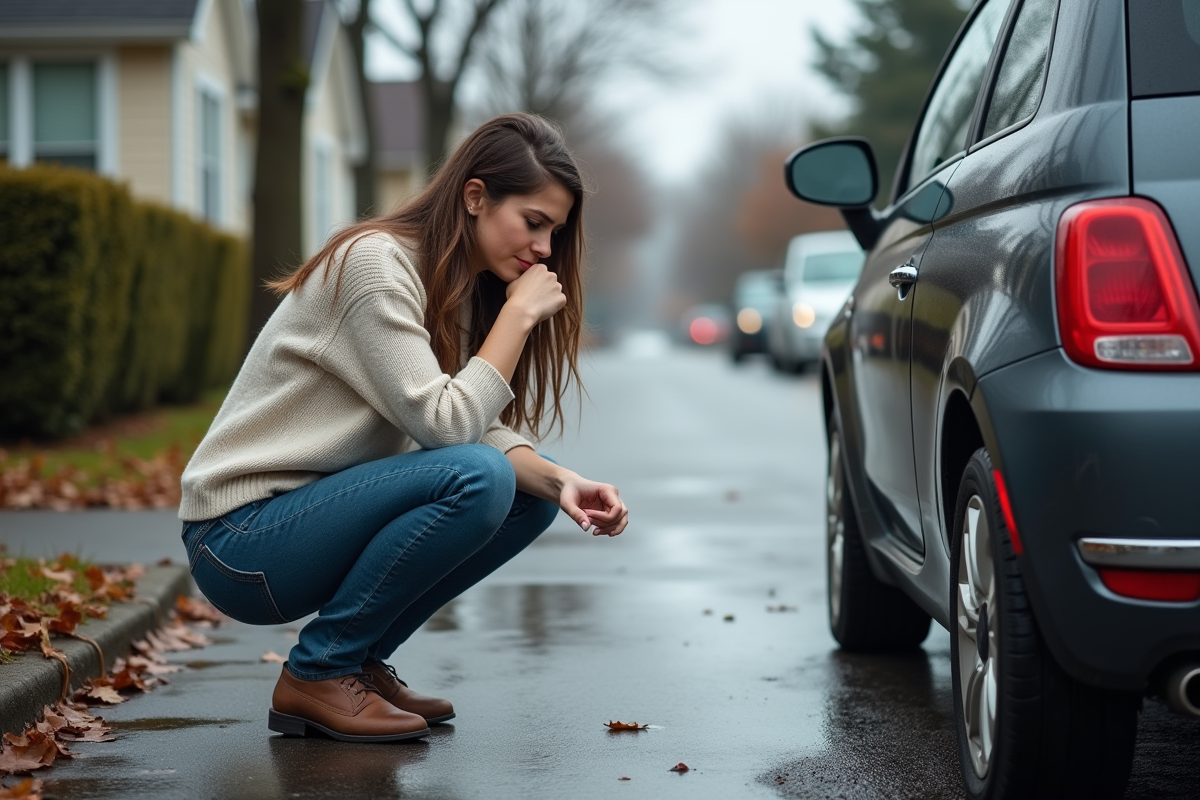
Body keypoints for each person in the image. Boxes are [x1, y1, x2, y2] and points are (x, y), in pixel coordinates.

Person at [178, 113, 629, 744]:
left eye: (554, 230)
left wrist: (562, 481)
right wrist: (518, 319)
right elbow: (447, 427)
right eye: (534, 222)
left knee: (529, 500)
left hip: (303, 521)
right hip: (239, 541)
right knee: (479, 477)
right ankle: (319, 670)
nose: (546, 249)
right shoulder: (375, 264)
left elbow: (469, 421)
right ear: (475, 197)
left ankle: (356, 663)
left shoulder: (459, 286)